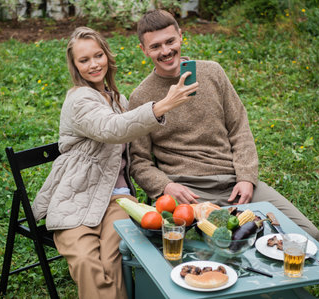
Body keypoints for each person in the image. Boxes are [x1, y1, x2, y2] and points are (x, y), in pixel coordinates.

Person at [31, 27, 197, 299]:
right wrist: (162, 105)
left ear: (107, 55)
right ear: (74, 65)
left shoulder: (119, 100)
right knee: (86, 261)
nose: (94, 64)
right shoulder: (79, 99)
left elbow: (135, 139)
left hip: (117, 200)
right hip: (78, 196)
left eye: (98, 55)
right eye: (84, 60)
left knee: (112, 260)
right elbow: (112, 128)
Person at [128, 10, 319, 242]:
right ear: (143, 50)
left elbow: (239, 127)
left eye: (170, 41)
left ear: (181, 36)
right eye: (156, 46)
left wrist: (247, 177)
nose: (166, 51)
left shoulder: (212, 72)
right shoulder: (141, 97)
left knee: (308, 235)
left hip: (234, 182)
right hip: (188, 191)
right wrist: (166, 186)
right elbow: (138, 160)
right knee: (223, 246)